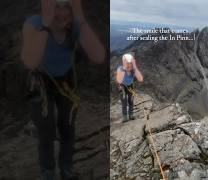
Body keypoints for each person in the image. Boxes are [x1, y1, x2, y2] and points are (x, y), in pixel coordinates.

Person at [21, 0, 105, 179]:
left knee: (67, 127)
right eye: (55, 6)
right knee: (46, 130)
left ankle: (66, 170)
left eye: (66, 6)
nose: (61, 13)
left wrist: (80, 18)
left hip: (66, 82)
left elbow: (98, 55)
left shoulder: (74, 27)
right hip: (40, 84)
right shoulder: (33, 24)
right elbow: (31, 62)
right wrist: (45, 25)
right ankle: (48, 172)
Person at [116, 53, 143, 122]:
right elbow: (119, 80)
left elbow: (140, 79)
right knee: (124, 102)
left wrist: (135, 68)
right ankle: (125, 117)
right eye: (127, 63)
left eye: (130, 63)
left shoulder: (133, 70)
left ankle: (131, 115)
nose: (129, 64)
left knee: (130, 101)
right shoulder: (120, 69)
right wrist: (125, 69)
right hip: (122, 86)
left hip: (130, 85)